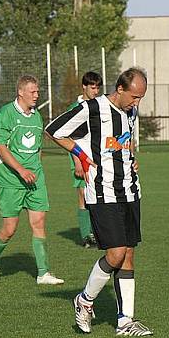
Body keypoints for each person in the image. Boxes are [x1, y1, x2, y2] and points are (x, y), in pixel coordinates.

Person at [45, 67, 153, 337]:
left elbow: (122, 141)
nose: (136, 103)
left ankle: (125, 321)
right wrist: (81, 154)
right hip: (102, 191)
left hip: (129, 189)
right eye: (134, 97)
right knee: (115, 253)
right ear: (120, 89)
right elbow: (54, 130)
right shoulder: (91, 109)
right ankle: (84, 300)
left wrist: (130, 156)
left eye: (141, 98)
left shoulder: (130, 112)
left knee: (128, 252)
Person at [0, 75, 64, 285]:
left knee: (39, 222)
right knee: (10, 229)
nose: (37, 95)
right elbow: (0, 147)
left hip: (34, 178)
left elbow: (37, 148)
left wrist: (36, 167)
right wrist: (20, 170)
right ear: (21, 92)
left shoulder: (36, 116)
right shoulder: (5, 114)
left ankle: (43, 273)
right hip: (10, 179)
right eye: (33, 92)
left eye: (38, 91)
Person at [67, 72, 103, 248]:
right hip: (81, 158)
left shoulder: (99, 106)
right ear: (84, 86)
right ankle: (86, 236)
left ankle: (98, 232)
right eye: (92, 87)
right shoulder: (76, 107)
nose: (95, 91)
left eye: (98, 87)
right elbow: (69, 137)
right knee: (83, 195)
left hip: (98, 158)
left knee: (98, 195)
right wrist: (77, 162)